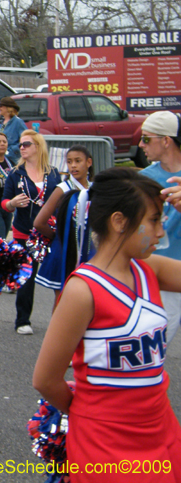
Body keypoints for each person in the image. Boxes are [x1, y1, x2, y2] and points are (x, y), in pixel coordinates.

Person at [32, 168, 181, 482]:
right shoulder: (83, 290)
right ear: (118, 221)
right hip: (105, 442)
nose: (161, 231)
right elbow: (46, 379)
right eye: (154, 220)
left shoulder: (149, 269)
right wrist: (94, 413)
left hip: (161, 427)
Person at [2, 130, 61, 333]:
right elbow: (4, 201)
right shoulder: (15, 173)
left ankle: (62, 322)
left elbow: (60, 200)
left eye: (26, 144)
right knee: (26, 278)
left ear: (38, 147)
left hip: (49, 233)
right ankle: (23, 321)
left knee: (58, 278)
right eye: (20, 144)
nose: (22, 147)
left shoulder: (53, 173)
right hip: (24, 232)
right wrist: (12, 203)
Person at [138, 111, 181, 345]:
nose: (140, 144)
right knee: (154, 346)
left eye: (146, 138)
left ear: (166, 140)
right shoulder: (144, 179)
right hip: (161, 275)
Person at [33, 145, 93, 304]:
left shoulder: (95, 189)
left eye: (78, 161)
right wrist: (58, 237)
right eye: (69, 162)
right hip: (65, 252)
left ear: (89, 162)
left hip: (89, 251)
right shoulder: (63, 189)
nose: (73, 165)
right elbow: (39, 222)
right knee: (63, 299)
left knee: (88, 299)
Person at [0, 97, 27, 163]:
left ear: (8, 108)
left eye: (1, 106)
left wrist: (11, 150)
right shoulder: (2, 123)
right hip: (2, 159)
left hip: (13, 160)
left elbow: (25, 140)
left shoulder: (18, 122)